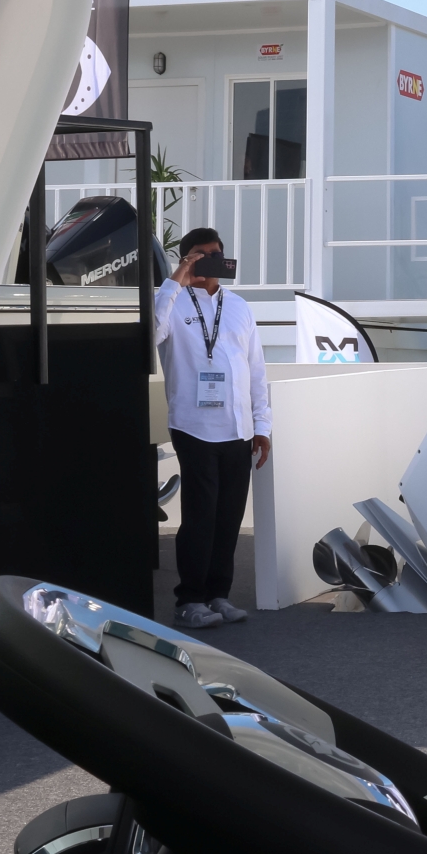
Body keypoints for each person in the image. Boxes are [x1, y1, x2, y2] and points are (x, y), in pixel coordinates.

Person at [155, 228, 271, 630]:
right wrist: (176, 280)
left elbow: (256, 370)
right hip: (194, 426)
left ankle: (218, 594)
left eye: (215, 254)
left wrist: (262, 424)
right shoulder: (172, 301)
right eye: (199, 254)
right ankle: (188, 600)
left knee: (229, 517)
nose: (209, 260)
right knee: (200, 517)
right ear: (186, 258)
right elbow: (151, 333)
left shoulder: (238, 306)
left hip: (238, 428)